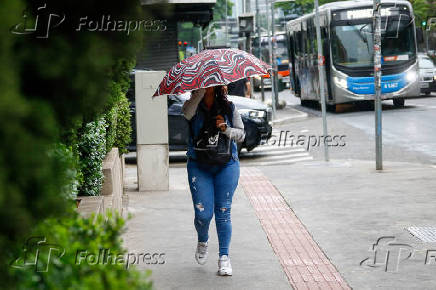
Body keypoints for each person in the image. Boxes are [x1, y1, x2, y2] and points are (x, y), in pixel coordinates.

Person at [181, 86, 245, 276]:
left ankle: (224, 257)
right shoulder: (192, 105)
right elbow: (186, 114)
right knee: (203, 214)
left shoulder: (229, 107)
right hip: (199, 165)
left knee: (223, 211)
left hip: (227, 164)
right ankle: (203, 239)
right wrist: (200, 92)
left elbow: (241, 134)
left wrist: (226, 129)